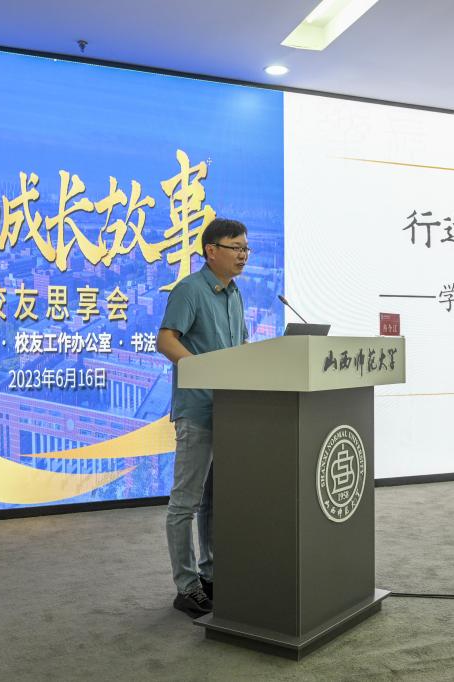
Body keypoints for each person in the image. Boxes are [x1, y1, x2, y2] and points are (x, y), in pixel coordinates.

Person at [156, 217, 250, 617]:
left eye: (245, 248)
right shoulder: (190, 290)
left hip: (228, 410)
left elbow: (240, 345)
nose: (243, 255)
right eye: (235, 247)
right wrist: (200, 369)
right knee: (186, 502)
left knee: (214, 500)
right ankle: (186, 584)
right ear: (211, 251)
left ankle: (211, 574)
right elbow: (165, 340)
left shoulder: (235, 294)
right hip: (197, 409)